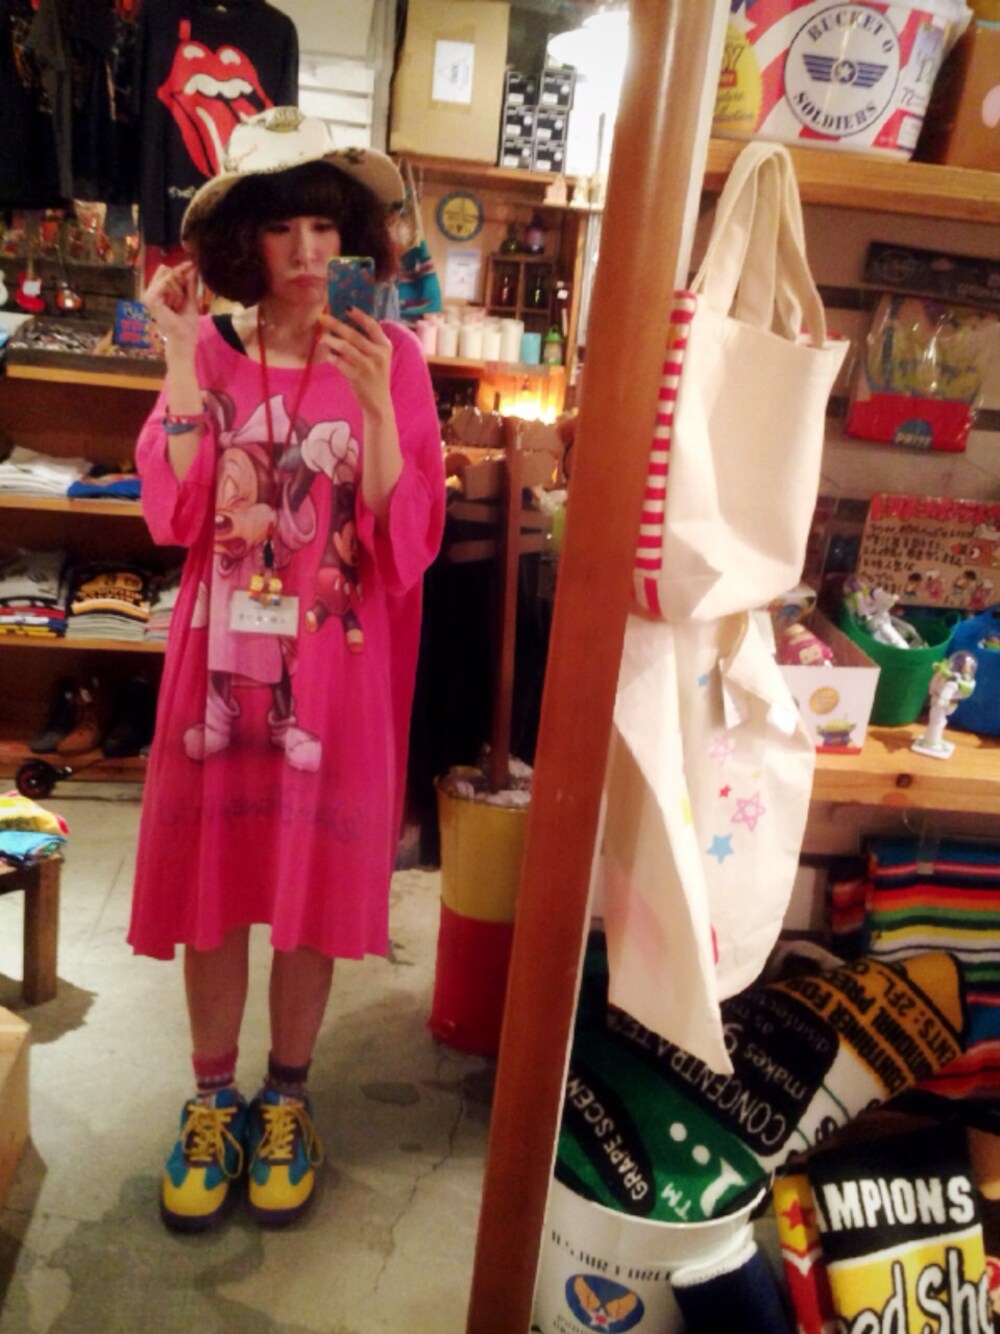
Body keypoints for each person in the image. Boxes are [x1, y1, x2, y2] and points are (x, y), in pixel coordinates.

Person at [128, 106, 445, 1232]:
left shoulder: (394, 360)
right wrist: (179, 358)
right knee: (213, 892)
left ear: (352, 236)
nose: (308, 252)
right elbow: (173, 512)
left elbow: (406, 543)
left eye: (325, 226)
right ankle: (212, 1097)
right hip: (219, 666)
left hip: (336, 673)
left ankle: (287, 1098)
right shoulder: (212, 351)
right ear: (245, 241)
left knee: (309, 894)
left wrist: (379, 410)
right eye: (283, 228)